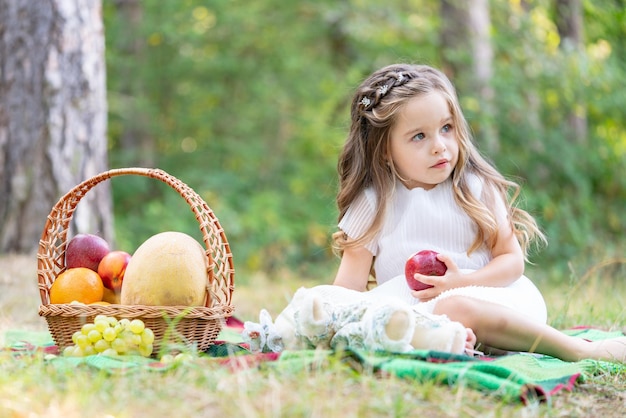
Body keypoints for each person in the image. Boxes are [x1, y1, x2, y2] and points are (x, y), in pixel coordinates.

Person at [332, 63, 626, 363]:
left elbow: (511, 262)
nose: (439, 146)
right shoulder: (373, 204)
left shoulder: (475, 188)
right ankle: (451, 341)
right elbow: (347, 291)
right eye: (419, 136)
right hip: (420, 315)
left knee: (456, 307)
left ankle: (581, 350)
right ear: (384, 149)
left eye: (446, 128)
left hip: (496, 299)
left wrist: (462, 284)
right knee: (396, 321)